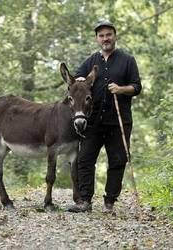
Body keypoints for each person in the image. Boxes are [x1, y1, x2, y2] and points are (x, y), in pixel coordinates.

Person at [68, 20, 142, 213]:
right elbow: (76, 81)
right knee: (84, 159)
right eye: (101, 36)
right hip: (93, 122)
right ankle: (84, 201)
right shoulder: (90, 61)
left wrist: (121, 89)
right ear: (97, 39)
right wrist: (81, 80)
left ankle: (110, 201)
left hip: (119, 121)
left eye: (108, 34)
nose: (105, 38)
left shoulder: (127, 60)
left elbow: (136, 87)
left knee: (117, 160)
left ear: (114, 36)